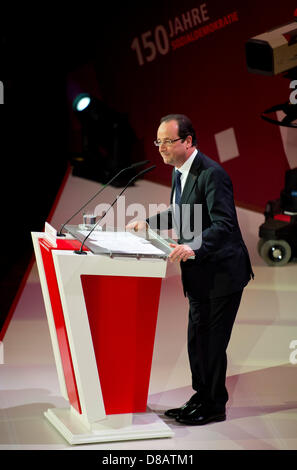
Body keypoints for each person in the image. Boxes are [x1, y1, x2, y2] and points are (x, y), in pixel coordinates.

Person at [126, 114, 254, 425]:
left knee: (212, 342)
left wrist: (193, 245)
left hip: (222, 275)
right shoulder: (178, 173)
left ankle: (214, 405)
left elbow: (224, 224)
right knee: (197, 339)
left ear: (188, 141)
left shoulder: (212, 175)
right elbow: (180, 212)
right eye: (159, 142)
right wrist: (149, 223)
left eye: (168, 141)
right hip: (197, 274)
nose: (161, 148)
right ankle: (201, 396)